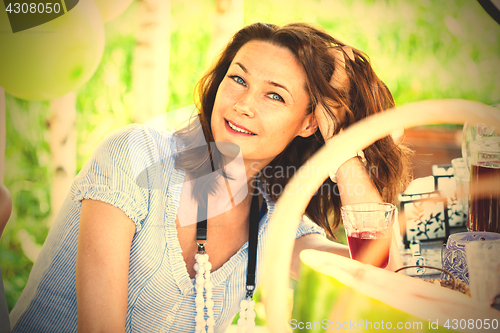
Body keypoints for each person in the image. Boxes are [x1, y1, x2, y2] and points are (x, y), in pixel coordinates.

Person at [9, 22, 411, 332]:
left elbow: (376, 272)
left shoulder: (272, 220)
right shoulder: (133, 157)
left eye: (274, 95)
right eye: (238, 79)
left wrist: (340, 146)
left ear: (309, 123)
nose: (242, 104)